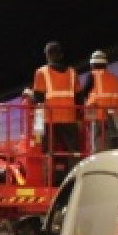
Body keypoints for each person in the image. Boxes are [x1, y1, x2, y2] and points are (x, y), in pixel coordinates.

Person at [32, 41, 81, 183]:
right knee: (74, 152)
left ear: (48, 55)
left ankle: (49, 181)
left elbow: (38, 98)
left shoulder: (41, 72)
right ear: (61, 55)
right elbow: (79, 97)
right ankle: (75, 180)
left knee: (49, 152)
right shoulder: (73, 72)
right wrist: (78, 117)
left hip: (50, 119)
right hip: (69, 118)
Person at [81, 50, 118, 153]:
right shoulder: (115, 78)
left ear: (92, 64)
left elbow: (83, 93)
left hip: (97, 114)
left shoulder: (92, 75)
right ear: (105, 64)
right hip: (114, 116)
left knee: (99, 143)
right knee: (112, 142)